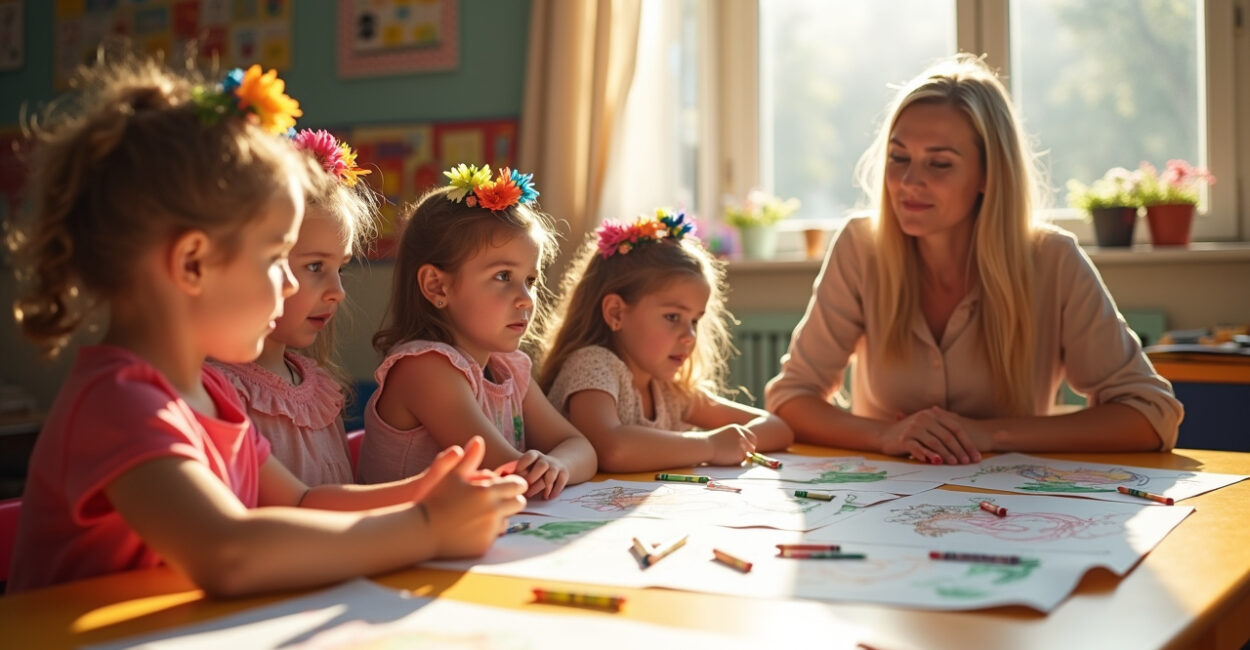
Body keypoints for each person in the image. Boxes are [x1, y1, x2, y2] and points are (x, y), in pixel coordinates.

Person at [7, 59, 525, 596]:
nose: (285, 286)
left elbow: (301, 503)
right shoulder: (117, 402)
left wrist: (422, 493)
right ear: (192, 264)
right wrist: (425, 530)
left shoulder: (209, 395)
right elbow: (227, 552)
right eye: (277, 257)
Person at [765, 54, 1183, 465]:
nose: (910, 182)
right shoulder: (860, 246)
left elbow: (1150, 415)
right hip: (881, 505)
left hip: (1008, 511)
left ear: (988, 174)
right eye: (899, 158)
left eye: (940, 163)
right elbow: (790, 398)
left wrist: (987, 434)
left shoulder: (1053, 260)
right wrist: (886, 436)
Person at [358, 164, 597, 498]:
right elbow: (507, 474)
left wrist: (558, 465)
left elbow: (579, 447)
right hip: (400, 546)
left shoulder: (508, 367)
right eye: (503, 276)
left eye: (531, 280)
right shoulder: (424, 369)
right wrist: (542, 470)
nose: (526, 300)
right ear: (436, 286)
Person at [539, 210, 793, 472]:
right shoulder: (592, 365)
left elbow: (778, 428)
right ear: (616, 312)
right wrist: (710, 445)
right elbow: (610, 449)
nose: (690, 335)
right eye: (673, 316)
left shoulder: (669, 390)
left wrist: (732, 441)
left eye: (694, 320)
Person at [214, 129, 376, 486]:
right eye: (316, 267)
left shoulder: (319, 387)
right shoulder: (219, 389)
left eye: (341, 268)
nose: (338, 292)